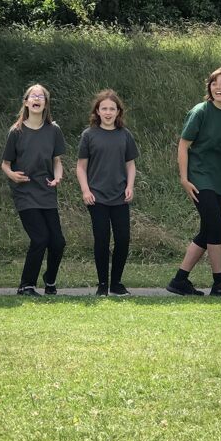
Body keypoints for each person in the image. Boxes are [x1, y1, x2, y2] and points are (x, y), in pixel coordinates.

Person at [166, 67, 221, 297]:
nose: (218, 87)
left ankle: (179, 280)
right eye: (214, 83)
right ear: (209, 87)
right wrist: (184, 179)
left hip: (219, 179)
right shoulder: (200, 111)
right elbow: (183, 146)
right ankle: (219, 283)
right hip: (199, 177)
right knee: (216, 225)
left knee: (208, 228)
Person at [1, 84, 66, 297]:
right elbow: (5, 164)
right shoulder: (16, 131)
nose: (37, 99)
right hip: (25, 192)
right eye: (33, 96)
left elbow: (57, 161)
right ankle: (26, 285)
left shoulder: (53, 130)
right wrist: (12, 175)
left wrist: (58, 177)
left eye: (41, 96)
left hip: (46, 190)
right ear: (26, 102)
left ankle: (50, 280)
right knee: (40, 238)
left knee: (57, 242)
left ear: (46, 104)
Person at [76, 90, 139, 297]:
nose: (108, 112)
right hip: (97, 198)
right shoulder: (89, 135)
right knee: (102, 240)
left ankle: (116, 283)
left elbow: (130, 165)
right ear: (97, 111)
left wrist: (130, 186)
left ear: (118, 112)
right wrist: (85, 190)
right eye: (104, 108)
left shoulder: (125, 135)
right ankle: (102, 285)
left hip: (120, 197)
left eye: (112, 109)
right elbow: (81, 167)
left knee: (123, 239)